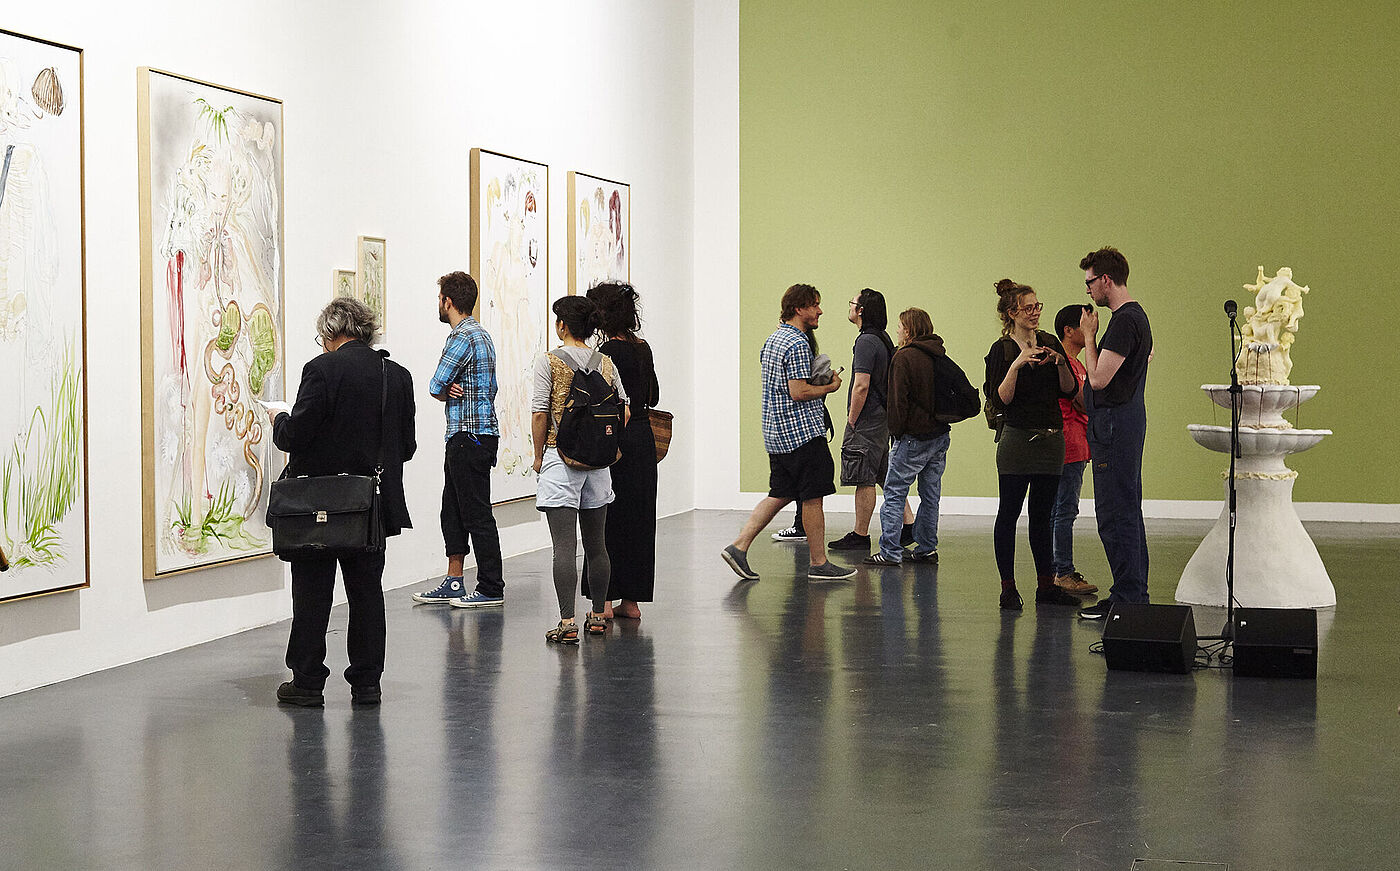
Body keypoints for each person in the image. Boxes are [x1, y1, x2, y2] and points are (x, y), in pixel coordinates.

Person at [270, 298, 417, 706]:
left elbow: (295, 436)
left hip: (316, 505)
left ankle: (308, 682)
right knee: (367, 592)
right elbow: (407, 446)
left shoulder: (320, 370)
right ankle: (367, 682)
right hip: (369, 506)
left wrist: (280, 419)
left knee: (312, 595)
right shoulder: (397, 376)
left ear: (332, 333)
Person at [721, 284, 855, 582]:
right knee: (813, 496)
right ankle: (819, 563)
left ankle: (739, 546)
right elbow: (798, 391)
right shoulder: (797, 343)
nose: (820, 310)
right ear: (799, 308)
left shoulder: (773, 339)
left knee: (780, 493)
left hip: (776, 433)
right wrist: (829, 387)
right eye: (815, 305)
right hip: (802, 434)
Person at [532, 296, 630, 643]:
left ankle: (567, 622)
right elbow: (625, 411)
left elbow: (541, 413)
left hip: (563, 460)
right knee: (597, 545)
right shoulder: (605, 363)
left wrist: (538, 455)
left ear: (563, 325)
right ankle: (599, 615)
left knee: (563, 546)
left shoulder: (549, 362)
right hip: (599, 465)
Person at [983, 280, 1083, 611]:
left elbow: (1068, 391)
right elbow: (1001, 399)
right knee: (1009, 513)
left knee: (1042, 516)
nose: (1036, 313)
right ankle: (1007, 588)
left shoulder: (1051, 343)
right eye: (1029, 308)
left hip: (1051, 439)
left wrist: (1059, 362)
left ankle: (1046, 585)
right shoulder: (1002, 350)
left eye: (1038, 306)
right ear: (1012, 313)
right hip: (1017, 439)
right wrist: (1017, 364)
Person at [410, 271, 506, 608]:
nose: (438, 304)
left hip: (468, 437)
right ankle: (454, 581)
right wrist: (450, 387)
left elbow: (436, 385)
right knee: (452, 511)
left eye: (440, 299)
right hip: (473, 436)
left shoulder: (461, 337)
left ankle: (491, 587)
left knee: (475, 514)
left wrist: (445, 388)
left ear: (449, 301)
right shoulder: (482, 335)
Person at [1076, 247, 1152, 619]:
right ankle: (1131, 594)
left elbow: (1099, 378)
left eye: (1090, 281)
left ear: (1106, 279)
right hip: (1126, 421)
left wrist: (1089, 337)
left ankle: (1128, 600)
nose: (1088, 290)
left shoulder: (1123, 321)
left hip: (1114, 425)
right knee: (1126, 510)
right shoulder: (1136, 318)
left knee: (1114, 513)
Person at [582, 281, 660, 620]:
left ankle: (606, 602)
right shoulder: (643, 348)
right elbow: (653, 395)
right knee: (640, 519)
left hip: (614, 440)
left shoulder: (605, 355)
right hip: (643, 440)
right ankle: (632, 602)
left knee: (606, 518)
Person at [864, 307, 949, 566]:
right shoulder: (940, 355)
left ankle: (890, 551)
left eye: (900, 326)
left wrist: (896, 432)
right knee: (931, 494)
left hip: (912, 438)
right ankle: (926, 548)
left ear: (909, 330)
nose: (897, 330)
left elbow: (897, 401)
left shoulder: (904, 357)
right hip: (939, 436)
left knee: (894, 493)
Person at [829, 289, 911, 554]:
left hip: (867, 419)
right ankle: (909, 524)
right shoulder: (883, 338)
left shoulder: (866, 342)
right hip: (882, 417)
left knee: (863, 476)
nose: (850, 307)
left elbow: (861, 385)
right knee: (883, 473)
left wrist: (852, 419)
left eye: (852, 303)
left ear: (861, 310)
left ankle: (860, 534)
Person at [1050, 304, 1098, 596]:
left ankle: (1059, 570)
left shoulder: (1078, 365)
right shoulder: (1065, 365)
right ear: (1068, 331)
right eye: (1084, 324)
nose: (1090, 329)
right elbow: (1085, 402)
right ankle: (1063, 572)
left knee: (1061, 510)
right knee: (1064, 511)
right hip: (1069, 445)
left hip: (1077, 445)